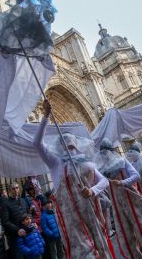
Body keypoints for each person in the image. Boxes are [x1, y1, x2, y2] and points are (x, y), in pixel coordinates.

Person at [33, 99, 112, 259]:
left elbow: (104, 181)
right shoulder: (56, 163)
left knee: (102, 248)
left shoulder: (87, 163)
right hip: (71, 219)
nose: (69, 148)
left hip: (92, 212)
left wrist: (92, 190)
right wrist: (46, 116)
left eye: (71, 145)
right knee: (83, 253)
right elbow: (37, 143)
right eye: (65, 145)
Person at [97, 138, 142, 259]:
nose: (104, 156)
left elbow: (136, 176)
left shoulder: (122, 161)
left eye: (105, 152)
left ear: (111, 151)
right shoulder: (102, 170)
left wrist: (122, 182)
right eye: (102, 153)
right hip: (117, 206)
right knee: (125, 237)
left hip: (132, 200)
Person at [0, 182, 29, 259]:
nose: (15, 190)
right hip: (15, 236)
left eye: (17, 188)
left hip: (27, 232)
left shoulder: (23, 200)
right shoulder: (5, 203)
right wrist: (17, 230)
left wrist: (31, 223)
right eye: (13, 188)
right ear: (9, 191)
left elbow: (27, 214)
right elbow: (5, 222)